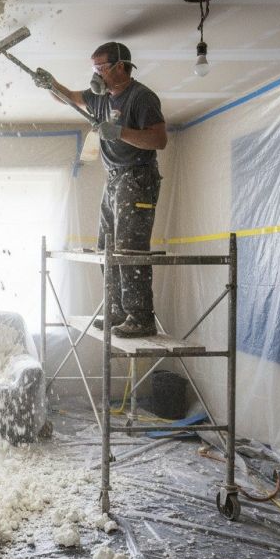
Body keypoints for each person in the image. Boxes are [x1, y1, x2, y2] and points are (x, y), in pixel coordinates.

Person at [35, 42, 167, 338]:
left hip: (138, 177)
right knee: (106, 248)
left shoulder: (141, 98)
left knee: (129, 249)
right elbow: (68, 97)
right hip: (115, 178)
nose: (96, 75)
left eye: (100, 69)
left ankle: (140, 316)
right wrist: (49, 84)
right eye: (94, 69)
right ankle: (118, 310)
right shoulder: (100, 97)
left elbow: (159, 140)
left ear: (121, 66)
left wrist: (120, 132)